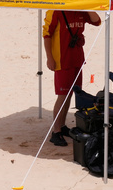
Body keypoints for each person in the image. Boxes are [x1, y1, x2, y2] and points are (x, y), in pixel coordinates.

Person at [43, 9, 101, 146]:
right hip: (62, 60)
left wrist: (87, 6)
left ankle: (62, 126)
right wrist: (49, 58)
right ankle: (56, 131)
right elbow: (47, 35)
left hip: (77, 58)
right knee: (62, 95)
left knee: (70, 93)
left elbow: (97, 21)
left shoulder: (81, 10)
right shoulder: (55, 10)